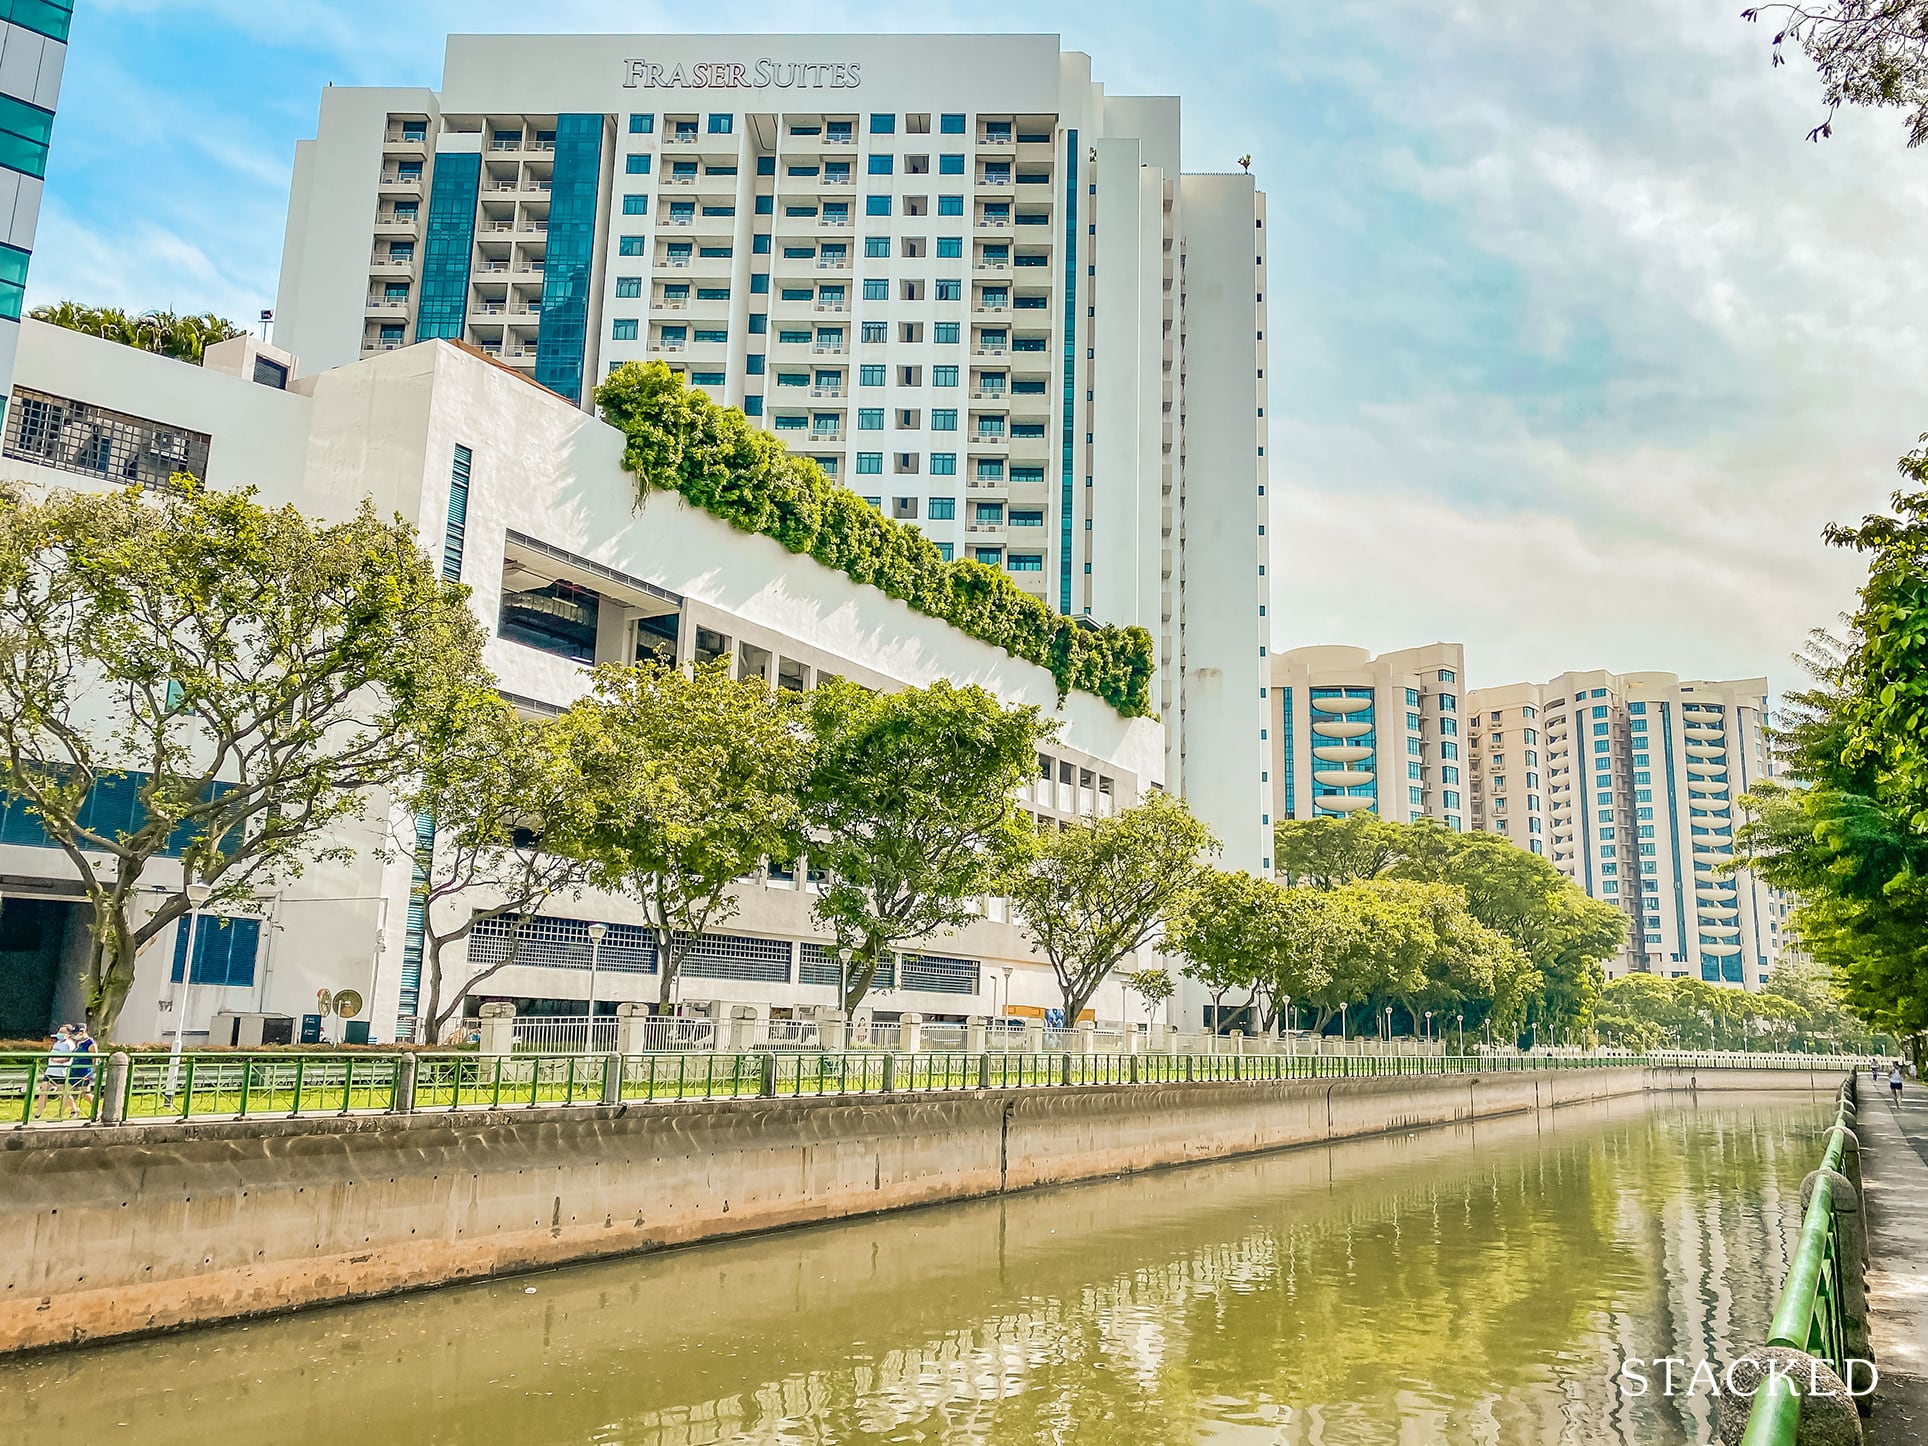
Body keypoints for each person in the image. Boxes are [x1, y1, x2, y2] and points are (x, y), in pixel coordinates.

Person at [30, 1025, 75, 1120]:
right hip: (50, 1071)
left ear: (69, 1034)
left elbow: (69, 1058)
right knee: (43, 1091)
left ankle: (74, 1110)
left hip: (61, 1072)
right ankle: (38, 1113)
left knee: (63, 1093)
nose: (60, 1034)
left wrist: (57, 1061)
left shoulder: (69, 1044)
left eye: (63, 1032)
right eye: (59, 1031)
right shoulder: (57, 1043)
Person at [65, 1025, 97, 1120]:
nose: (75, 1035)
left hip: (84, 1071)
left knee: (85, 1094)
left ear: (83, 1031)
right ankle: (74, 1110)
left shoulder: (90, 1043)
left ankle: (97, 1111)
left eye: (76, 1033)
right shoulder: (79, 1042)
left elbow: (95, 1059)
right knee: (65, 1091)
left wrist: (90, 1073)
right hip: (74, 1070)